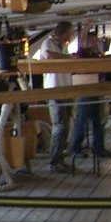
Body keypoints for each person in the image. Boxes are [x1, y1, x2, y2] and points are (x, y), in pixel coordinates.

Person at [69, 28, 111, 160]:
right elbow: (81, 40)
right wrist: (85, 26)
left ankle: (98, 148)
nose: (95, 42)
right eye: (92, 40)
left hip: (96, 91)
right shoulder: (82, 53)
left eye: (95, 40)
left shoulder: (95, 54)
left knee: (98, 122)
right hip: (85, 92)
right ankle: (75, 148)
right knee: (82, 121)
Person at [40, 20, 75, 173]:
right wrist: (68, 59)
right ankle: (54, 162)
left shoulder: (64, 47)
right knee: (59, 127)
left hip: (65, 89)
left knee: (65, 127)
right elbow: (48, 55)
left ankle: (60, 158)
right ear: (64, 33)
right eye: (71, 32)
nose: (72, 35)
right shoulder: (48, 43)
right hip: (54, 91)